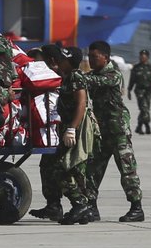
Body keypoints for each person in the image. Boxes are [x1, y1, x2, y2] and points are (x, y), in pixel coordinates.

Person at [84, 40, 144, 222]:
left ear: (106, 57)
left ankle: (136, 208)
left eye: (95, 58)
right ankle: (91, 207)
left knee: (127, 170)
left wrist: (77, 76)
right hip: (102, 131)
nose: (92, 61)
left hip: (118, 131)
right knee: (92, 170)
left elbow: (97, 81)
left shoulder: (113, 73)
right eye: (90, 57)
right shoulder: (93, 74)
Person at [52, 47, 100, 226]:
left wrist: (72, 128)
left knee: (64, 168)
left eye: (63, 59)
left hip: (77, 127)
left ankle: (79, 204)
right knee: (75, 170)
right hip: (70, 126)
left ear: (70, 61)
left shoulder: (76, 77)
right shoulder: (67, 77)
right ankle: (83, 210)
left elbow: (81, 103)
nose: (59, 61)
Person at [28, 44, 66, 221]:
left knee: (66, 170)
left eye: (39, 59)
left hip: (64, 130)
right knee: (48, 168)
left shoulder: (60, 77)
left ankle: (82, 205)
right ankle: (53, 205)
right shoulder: (48, 76)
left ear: (50, 60)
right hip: (53, 131)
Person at [127, 49, 151, 135]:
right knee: (144, 108)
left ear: (148, 58)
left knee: (145, 109)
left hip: (148, 91)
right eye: (141, 56)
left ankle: (139, 126)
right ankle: (147, 126)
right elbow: (132, 80)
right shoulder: (136, 68)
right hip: (139, 91)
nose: (142, 58)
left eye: (144, 57)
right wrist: (129, 90)